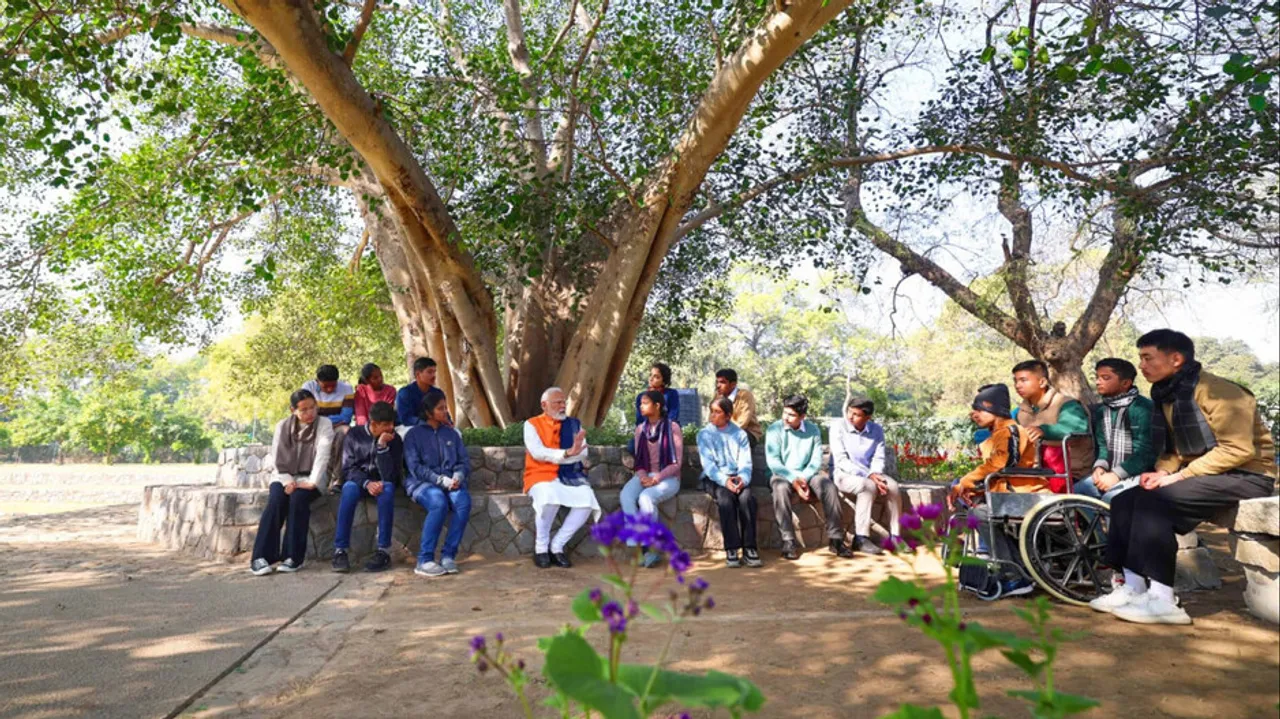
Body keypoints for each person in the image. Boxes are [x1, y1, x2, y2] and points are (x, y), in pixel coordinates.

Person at [1091, 330, 1276, 625]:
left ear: (1176, 359)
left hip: (1247, 475)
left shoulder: (1222, 392)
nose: (1142, 365)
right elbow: (1176, 450)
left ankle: (1164, 600)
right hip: (1209, 473)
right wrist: (1162, 472)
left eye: (1148, 358)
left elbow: (1238, 450)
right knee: (1126, 500)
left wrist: (1178, 478)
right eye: (1141, 358)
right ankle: (1134, 588)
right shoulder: (1170, 394)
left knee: (1155, 504)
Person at [949, 383, 1040, 597]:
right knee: (976, 509)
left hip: (1022, 494)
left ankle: (1013, 577)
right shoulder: (996, 433)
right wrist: (973, 488)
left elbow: (1000, 466)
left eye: (979, 409)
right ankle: (1017, 571)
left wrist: (965, 482)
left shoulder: (1010, 432)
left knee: (980, 514)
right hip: (1005, 493)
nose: (974, 414)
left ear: (995, 409)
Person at [250, 389, 335, 575]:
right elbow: (277, 457)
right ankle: (260, 557)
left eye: (313, 407)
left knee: (298, 499)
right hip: (283, 476)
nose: (310, 413)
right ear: (293, 410)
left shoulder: (325, 424)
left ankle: (293, 558)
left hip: (312, 477)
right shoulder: (282, 426)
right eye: (304, 410)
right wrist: (288, 481)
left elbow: (323, 455)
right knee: (276, 501)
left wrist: (312, 482)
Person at [766, 395, 854, 561]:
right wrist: (795, 480)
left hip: (808, 474)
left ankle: (836, 540)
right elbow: (774, 462)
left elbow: (815, 461)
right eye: (784, 413)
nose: (785, 417)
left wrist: (803, 479)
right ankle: (788, 541)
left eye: (791, 415)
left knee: (829, 487)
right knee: (779, 488)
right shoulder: (774, 429)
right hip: (782, 474)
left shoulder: (813, 430)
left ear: (802, 417)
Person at [522, 387, 602, 569]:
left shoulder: (574, 424)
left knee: (587, 500)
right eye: (557, 402)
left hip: (570, 474)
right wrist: (566, 453)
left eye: (563, 402)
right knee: (549, 497)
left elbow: (583, 453)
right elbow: (538, 453)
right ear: (544, 405)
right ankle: (541, 548)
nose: (562, 405)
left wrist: (570, 455)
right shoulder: (531, 424)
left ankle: (557, 546)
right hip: (539, 474)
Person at [404, 392, 471, 577]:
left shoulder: (452, 434)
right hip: (421, 484)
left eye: (445, 407)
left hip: (452, 483)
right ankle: (424, 560)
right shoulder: (413, 435)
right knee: (438, 503)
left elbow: (463, 461)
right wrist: (440, 480)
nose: (445, 411)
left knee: (463, 502)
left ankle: (448, 556)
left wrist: (458, 475)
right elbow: (415, 467)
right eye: (440, 408)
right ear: (428, 412)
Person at [332, 401, 402, 573]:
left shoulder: (394, 439)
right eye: (386, 424)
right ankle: (340, 551)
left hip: (382, 482)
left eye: (392, 423)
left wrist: (382, 447)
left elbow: (391, 475)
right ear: (373, 424)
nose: (390, 427)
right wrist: (367, 483)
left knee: (388, 490)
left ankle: (383, 551)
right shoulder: (354, 435)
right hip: (359, 482)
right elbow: (348, 468)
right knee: (348, 489)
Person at [1075, 358, 1157, 504]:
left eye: (1105, 378)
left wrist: (1116, 475)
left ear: (1126, 383)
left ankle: (1118, 528)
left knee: (1111, 499)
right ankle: (1097, 528)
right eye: (1097, 377)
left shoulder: (1143, 408)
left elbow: (1146, 453)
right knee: (1077, 491)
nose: (1098, 382)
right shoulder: (1102, 410)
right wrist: (1099, 467)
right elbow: (1103, 445)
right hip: (1110, 472)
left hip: (1142, 474)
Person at [830, 397, 902, 555]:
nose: (850, 417)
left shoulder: (876, 430)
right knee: (867, 486)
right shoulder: (838, 428)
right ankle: (861, 538)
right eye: (849, 412)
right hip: (844, 474)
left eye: (856, 414)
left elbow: (878, 457)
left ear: (867, 418)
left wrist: (875, 473)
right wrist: (869, 475)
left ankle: (895, 536)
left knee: (894, 488)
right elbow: (841, 460)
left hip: (871, 474)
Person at [622, 390, 683, 567]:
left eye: (645, 402)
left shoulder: (672, 428)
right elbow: (639, 461)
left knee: (646, 497)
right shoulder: (640, 430)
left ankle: (649, 549)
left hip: (668, 477)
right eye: (640, 403)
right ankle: (641, 545)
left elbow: (676, 463)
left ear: (657, 406)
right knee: (626, 495)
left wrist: (656, 479)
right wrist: (642, 477)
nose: (641, 406)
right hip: (645, 475)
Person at [697, 397, 760, 568]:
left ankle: (750, 548)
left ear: (728, 415)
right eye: (712, 411)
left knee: (747, 499)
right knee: (725, 499)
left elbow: (746, 463)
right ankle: (731, 548)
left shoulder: (740, 434)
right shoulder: (704, 434)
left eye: (717, 412)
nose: (713, 415)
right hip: (715, 478)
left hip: (737, 477)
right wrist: (725, 481)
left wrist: (742, 480)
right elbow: (709, 467)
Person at [1012, 360, 1093, 489]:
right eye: (1016, 381)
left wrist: (1044, 431)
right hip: (1035, 473)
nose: (1018, 385)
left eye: (1023, 380)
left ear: (1042, 382)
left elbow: (1076, 428)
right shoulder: (1020, 412)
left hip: (1070, 473)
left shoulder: (1067, 404)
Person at [302, 364, 355, 469]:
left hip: (336, 427)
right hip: (313, 426)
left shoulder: (346, 389)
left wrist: (321, 419)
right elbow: (307, 414)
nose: (330, 389)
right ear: (317, 381)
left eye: (333, 385)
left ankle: (338, 478)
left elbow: (346, 417)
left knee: (347, 432)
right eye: (325, 386)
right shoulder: (308, 388)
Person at [396, 357, 449, 430]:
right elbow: (405, 418)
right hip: (409, 428)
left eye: (434, 372)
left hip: (434, 426)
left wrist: (448, 422)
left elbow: (444, 413)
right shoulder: (405, 393)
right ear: (418, 374)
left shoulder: (438, 393)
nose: (433, 375)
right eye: (430, 372)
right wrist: (425, 423)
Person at [714, 369, 763, 447]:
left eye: (722, 382)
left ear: (733, 384)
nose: (718, 385)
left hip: (747, 432)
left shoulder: (745, 396)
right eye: (717, 382)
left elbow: (742, 423)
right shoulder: (718, 398)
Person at [353, 362, 397, 427]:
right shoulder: (361, 390)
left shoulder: (390, 390)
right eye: (375, 378)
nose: (380, 379)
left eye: (381, 375)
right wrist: (368, 430)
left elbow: (387, 414)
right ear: (367, 381)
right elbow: (361, 415)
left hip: (385, 426)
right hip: (365, 428)